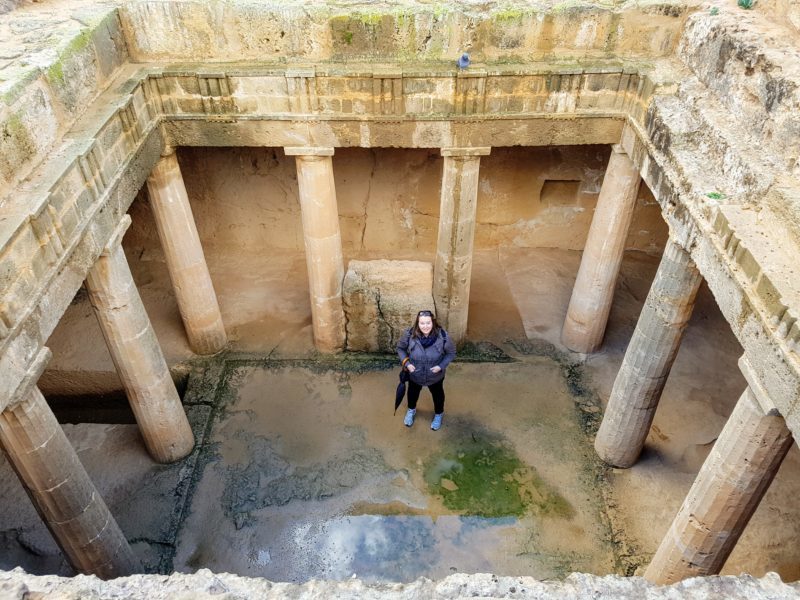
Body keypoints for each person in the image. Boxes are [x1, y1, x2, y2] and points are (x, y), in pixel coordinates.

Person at [396, 310, 456, 431]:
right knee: (412, 393)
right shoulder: (409, 334)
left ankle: (438, 414)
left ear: (433, 322)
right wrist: (407, 364)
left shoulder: (443, 336)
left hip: (435, 376)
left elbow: (451, 353)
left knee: (438, 395)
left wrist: (441, 366)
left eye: (428, 323)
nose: (425, 326)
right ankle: (411, 410)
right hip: (415, 374)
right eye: (422, 323)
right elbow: (400, 348)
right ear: (418, 323)